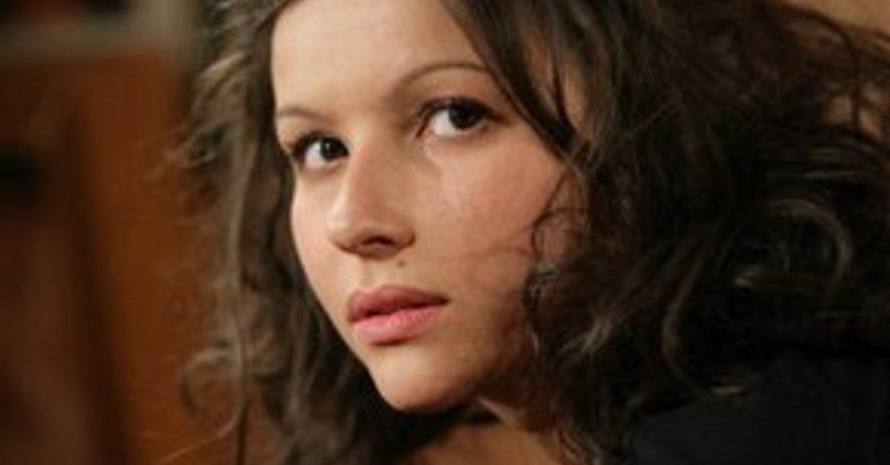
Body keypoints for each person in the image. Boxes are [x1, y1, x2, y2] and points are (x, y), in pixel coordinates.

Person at [181, 0, 890, 464]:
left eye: (455, 117)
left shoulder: (775, 427)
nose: (352, 221)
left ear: (650, 122)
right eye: (320, 149)